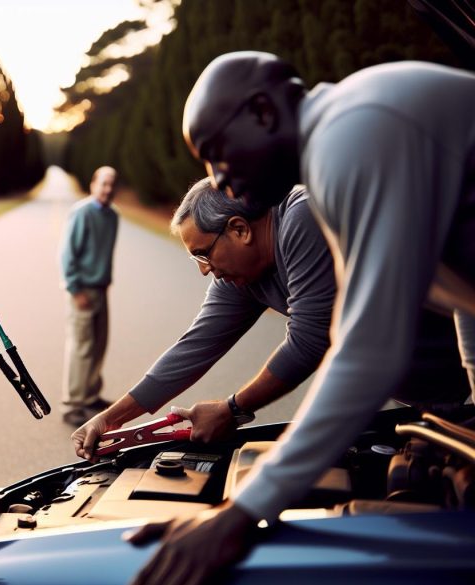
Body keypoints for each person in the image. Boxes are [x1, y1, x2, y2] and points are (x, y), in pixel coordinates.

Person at [128, 51, 475, 585]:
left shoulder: (351, 137)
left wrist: (244, 510)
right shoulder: (341, 143)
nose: (219, 180)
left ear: (263, 112)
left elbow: (366, 349)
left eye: (217, 155)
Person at [72, 178, 335, 452]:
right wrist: (108, 419)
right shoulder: (238, 274)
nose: (204, 270)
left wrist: (233, 409)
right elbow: (194, 348)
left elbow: (310, 340)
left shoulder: (304, 217)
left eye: (203, 254)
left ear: (240, 230)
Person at [60, 166, 120, 426]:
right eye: (103, 183)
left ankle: (90, 396)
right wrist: (75, 289)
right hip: (82, 290)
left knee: (98, 344)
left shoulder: (113, 216)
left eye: (112, 184)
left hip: (101, 290)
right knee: (82, 347)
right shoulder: (82, 212)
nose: (108, 189)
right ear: (93, 184)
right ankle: (73, 405)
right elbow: (67, 254)